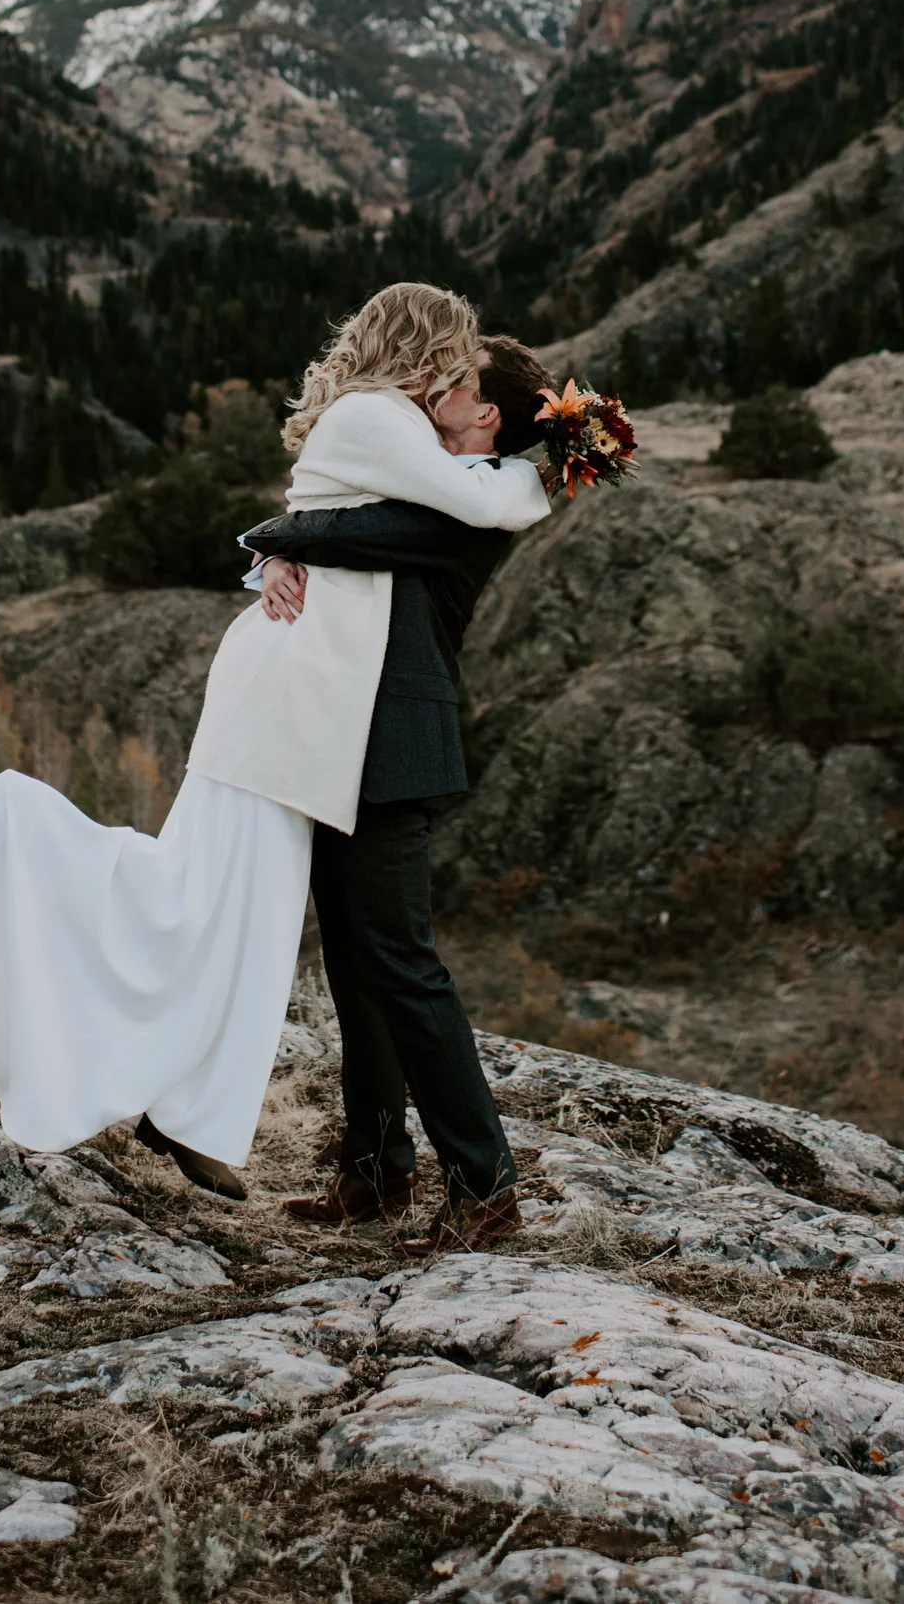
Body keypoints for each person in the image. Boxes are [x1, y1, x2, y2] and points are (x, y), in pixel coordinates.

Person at [0, 285, 549, 1198]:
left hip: (338, 723)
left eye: (468, 372)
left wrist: (283, 542)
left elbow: (385, 528)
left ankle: (322, 1152)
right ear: (423, 354)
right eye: (453, 353)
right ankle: (349, 1155)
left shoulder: (419, 453)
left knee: (296, 936)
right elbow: (426, 513)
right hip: (296, 714)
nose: (455, 370)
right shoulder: (381, 423)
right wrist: (284, 544)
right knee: (224, 908)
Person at [240, 335, 554, 1253]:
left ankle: (484, 1186)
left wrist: (268, 538)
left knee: (403, 965)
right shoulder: (441, 483)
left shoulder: (481, 502)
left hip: (393, 745)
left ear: (484, 415)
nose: (429, 393)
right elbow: (341, 529)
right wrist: (273, 554)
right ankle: (375, 1170)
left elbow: (351, 530)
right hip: (346, 740)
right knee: (356, 965)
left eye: (448, 386)